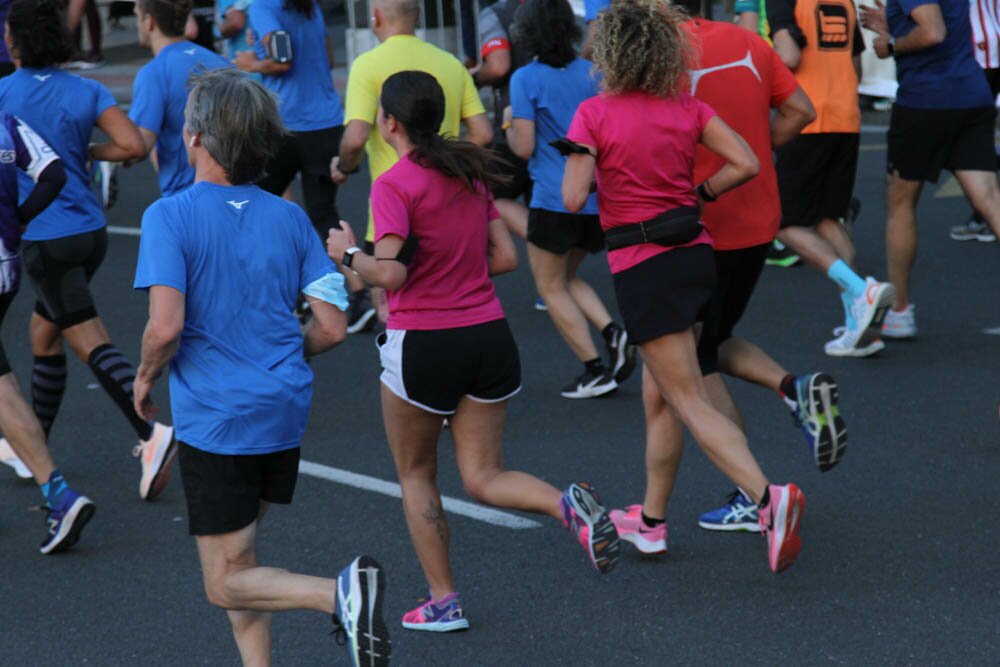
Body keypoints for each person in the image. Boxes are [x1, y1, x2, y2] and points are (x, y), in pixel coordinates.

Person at [327, 71, 620, 631]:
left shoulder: (395, 184)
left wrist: (347, 254)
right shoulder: (468, 174)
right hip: (489, 336)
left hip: (426, 344)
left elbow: (389, 273)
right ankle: (565, 504)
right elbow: (506, 258)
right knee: (484, 475)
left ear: (389, 124)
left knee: (416, 476)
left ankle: (444, 600)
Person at [133, 69, 390, 667]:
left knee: (223, 582)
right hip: (283, 409)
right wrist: (274, 354)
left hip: (217, 419)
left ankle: (338, 595)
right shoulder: (290, 217)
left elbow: (164, 327)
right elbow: (330, 325)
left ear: (195, 136)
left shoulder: (168, 217)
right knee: (243, 565)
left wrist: (144, 379)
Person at [563, 0, 804, 573]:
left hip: (644, 266)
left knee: (686, 397)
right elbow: (746, 160)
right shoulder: (687, 107)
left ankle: (766, 498)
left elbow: (572, 199)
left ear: (612, 54)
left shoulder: (594, 114)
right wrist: (701, 195)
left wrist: (603, 170)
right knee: (661, 397)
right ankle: (650, 523)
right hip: (696, 255)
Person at [614, 0, 838, 541]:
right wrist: (758, 145)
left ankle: (752, 496)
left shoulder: (653, 56)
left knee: (681, 377)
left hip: (686, 227)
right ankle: (790, 387)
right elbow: (802, 111)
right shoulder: (751, 42)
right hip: (757, 218)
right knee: (705, 350)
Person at [0, 0, 176, 502]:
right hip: (89, 233)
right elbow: (133, 147)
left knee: (87, 341)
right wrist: (82, 151)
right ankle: (29, 443)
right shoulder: (86, 89)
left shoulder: (3, 95)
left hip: (42, 236)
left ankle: (150, 432)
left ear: (15, 42)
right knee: (44, 334)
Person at [332, 0, 492, 332]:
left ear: (375, 17)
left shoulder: (367, 65)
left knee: (395, 316)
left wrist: (344, 168)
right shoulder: (449, 63)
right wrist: (446, 160)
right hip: (452, 203)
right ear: (416, 17)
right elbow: (483, 133)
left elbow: (355, 138)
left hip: (393, 215)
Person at [504, 0, 635, 399]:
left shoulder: (525, 78)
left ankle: (594, 368)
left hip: (553, 197)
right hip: (595, 196)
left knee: (550, 287)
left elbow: (523, 147)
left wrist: (509, 120)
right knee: (567, 276)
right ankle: (615, 334)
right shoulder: (591, 73)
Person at [861, 0, 1000, 339]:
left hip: (927, 102)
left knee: (901, 202)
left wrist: (891, 44)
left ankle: (900, 312)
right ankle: (899, 311)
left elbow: (933, 31)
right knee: (989, 199)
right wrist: (891, 24)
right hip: (970, 94)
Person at [766, 0, 896, 357]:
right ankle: (860, 321)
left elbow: (788, 55)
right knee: (828, 217)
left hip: (806, 116)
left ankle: (859, 290)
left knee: (780, 221)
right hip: (845, 115)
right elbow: (855, 62)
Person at [0, 110, 96, 554]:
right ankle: (58, 494)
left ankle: (60, 494)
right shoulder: (5, 120)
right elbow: (53, 173)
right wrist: (18, 220)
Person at [237, 0, 344, 242]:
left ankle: (263, 271)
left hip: (286, 126)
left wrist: (251, 64)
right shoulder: (310, 6)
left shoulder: (263, 7)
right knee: (323, 213)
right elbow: (329, 60)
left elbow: (283, 59)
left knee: (254, 205)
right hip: (326, 123)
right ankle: (358, 276)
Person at [125, 0, 231, 198]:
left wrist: (94, 153)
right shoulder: (222, 62)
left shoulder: (154, 72)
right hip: (230, 192)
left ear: (149, 22)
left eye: (137, 16)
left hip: (185, 197)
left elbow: (137, 146)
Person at [472, 0, 533, 241]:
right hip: (557, 124)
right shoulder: (556, 7)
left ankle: (540, 239)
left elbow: (498, 65)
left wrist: (475, 77)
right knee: (544, 208)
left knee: (482, 198)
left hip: (514, 124)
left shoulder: (496, 13)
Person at [947, 0, 1000, 243]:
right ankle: (983, 215)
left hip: (975, 54)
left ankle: (985, 216)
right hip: (987, 46)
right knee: (974, 138)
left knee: (961, 141)